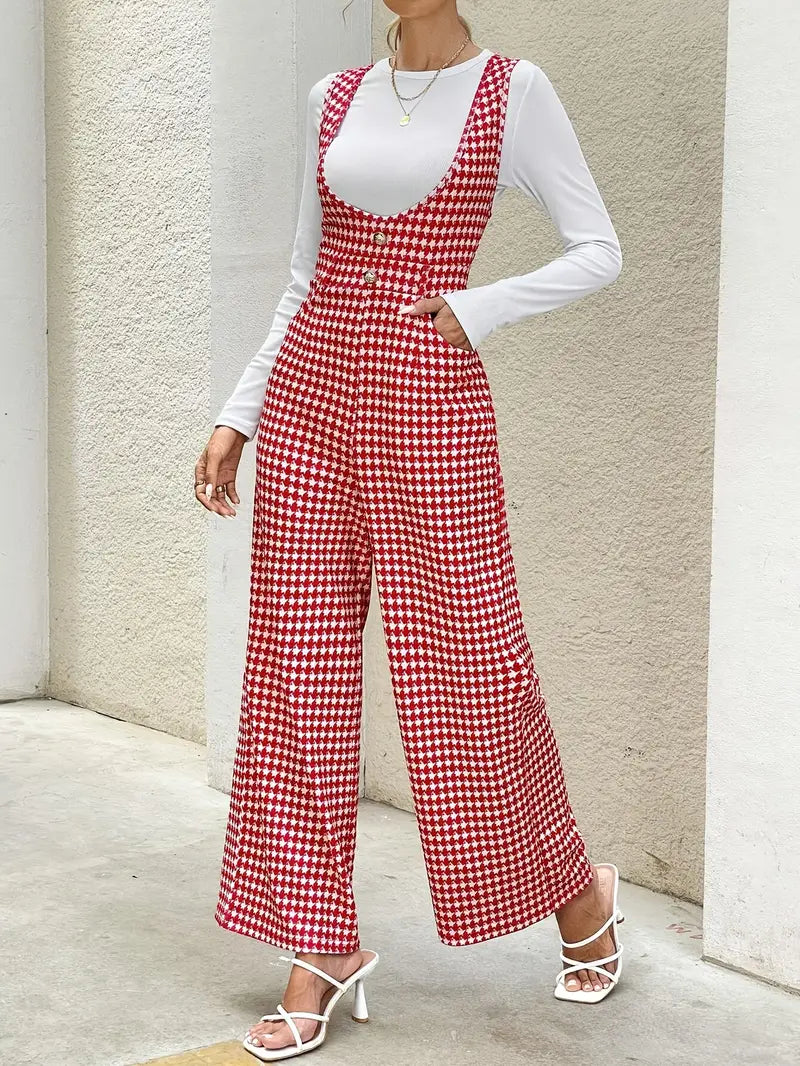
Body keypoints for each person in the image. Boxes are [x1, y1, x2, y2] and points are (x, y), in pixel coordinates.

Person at [195, 2, 625, 1059]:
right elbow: (303, 278)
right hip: (310, 399)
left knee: (469, 667)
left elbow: (597, 250)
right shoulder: (334, 96)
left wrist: (474, 310)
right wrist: (240, 413)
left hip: (428, 400)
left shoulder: (511, 91)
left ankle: (577, 891)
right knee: (295, 669)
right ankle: (319, 943)